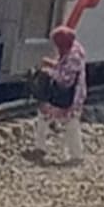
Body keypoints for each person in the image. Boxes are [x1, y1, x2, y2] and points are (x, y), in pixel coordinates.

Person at [32, 26, 87, 163]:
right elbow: (63, 68)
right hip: (74, 96)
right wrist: (53, 64)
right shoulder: (74, 48)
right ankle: (41, 147)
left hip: (69, 98)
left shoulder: (73, 57)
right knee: (57, 119)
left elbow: (65, 80)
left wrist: (48, 71)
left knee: (69, 123)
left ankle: (75, 155)